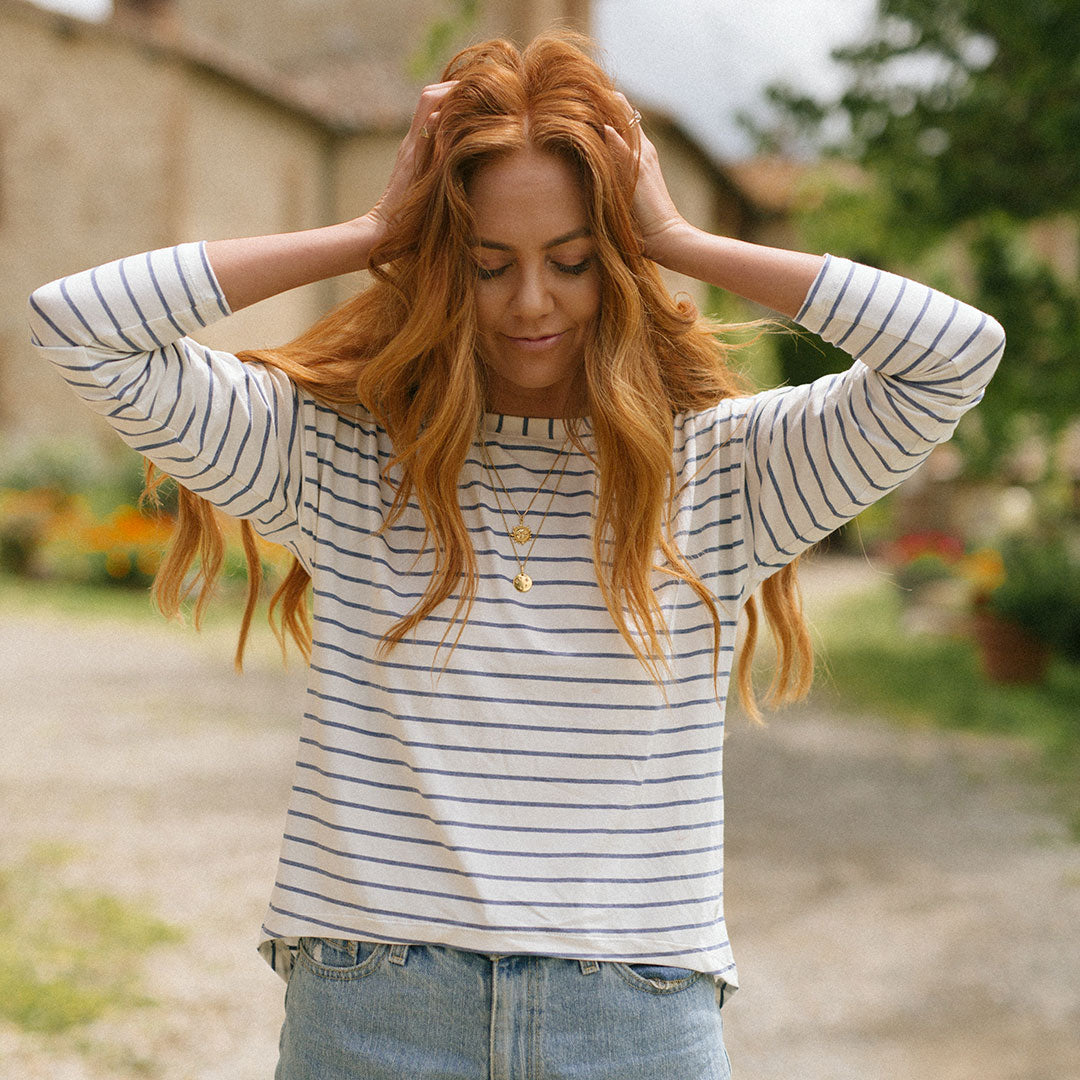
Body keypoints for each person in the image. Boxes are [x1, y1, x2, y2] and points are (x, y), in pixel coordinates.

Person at [27, 32, 1004, 1080]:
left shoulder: (726, 470)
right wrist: (374, 229)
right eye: (490, 264)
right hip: (372, 1011)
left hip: (634, 1020)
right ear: (445, 265)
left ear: (617, 260)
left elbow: (954, 357)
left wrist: (678, 237)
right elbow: (76, 327)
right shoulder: (336, 455)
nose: (531, 301)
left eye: (572, 260)